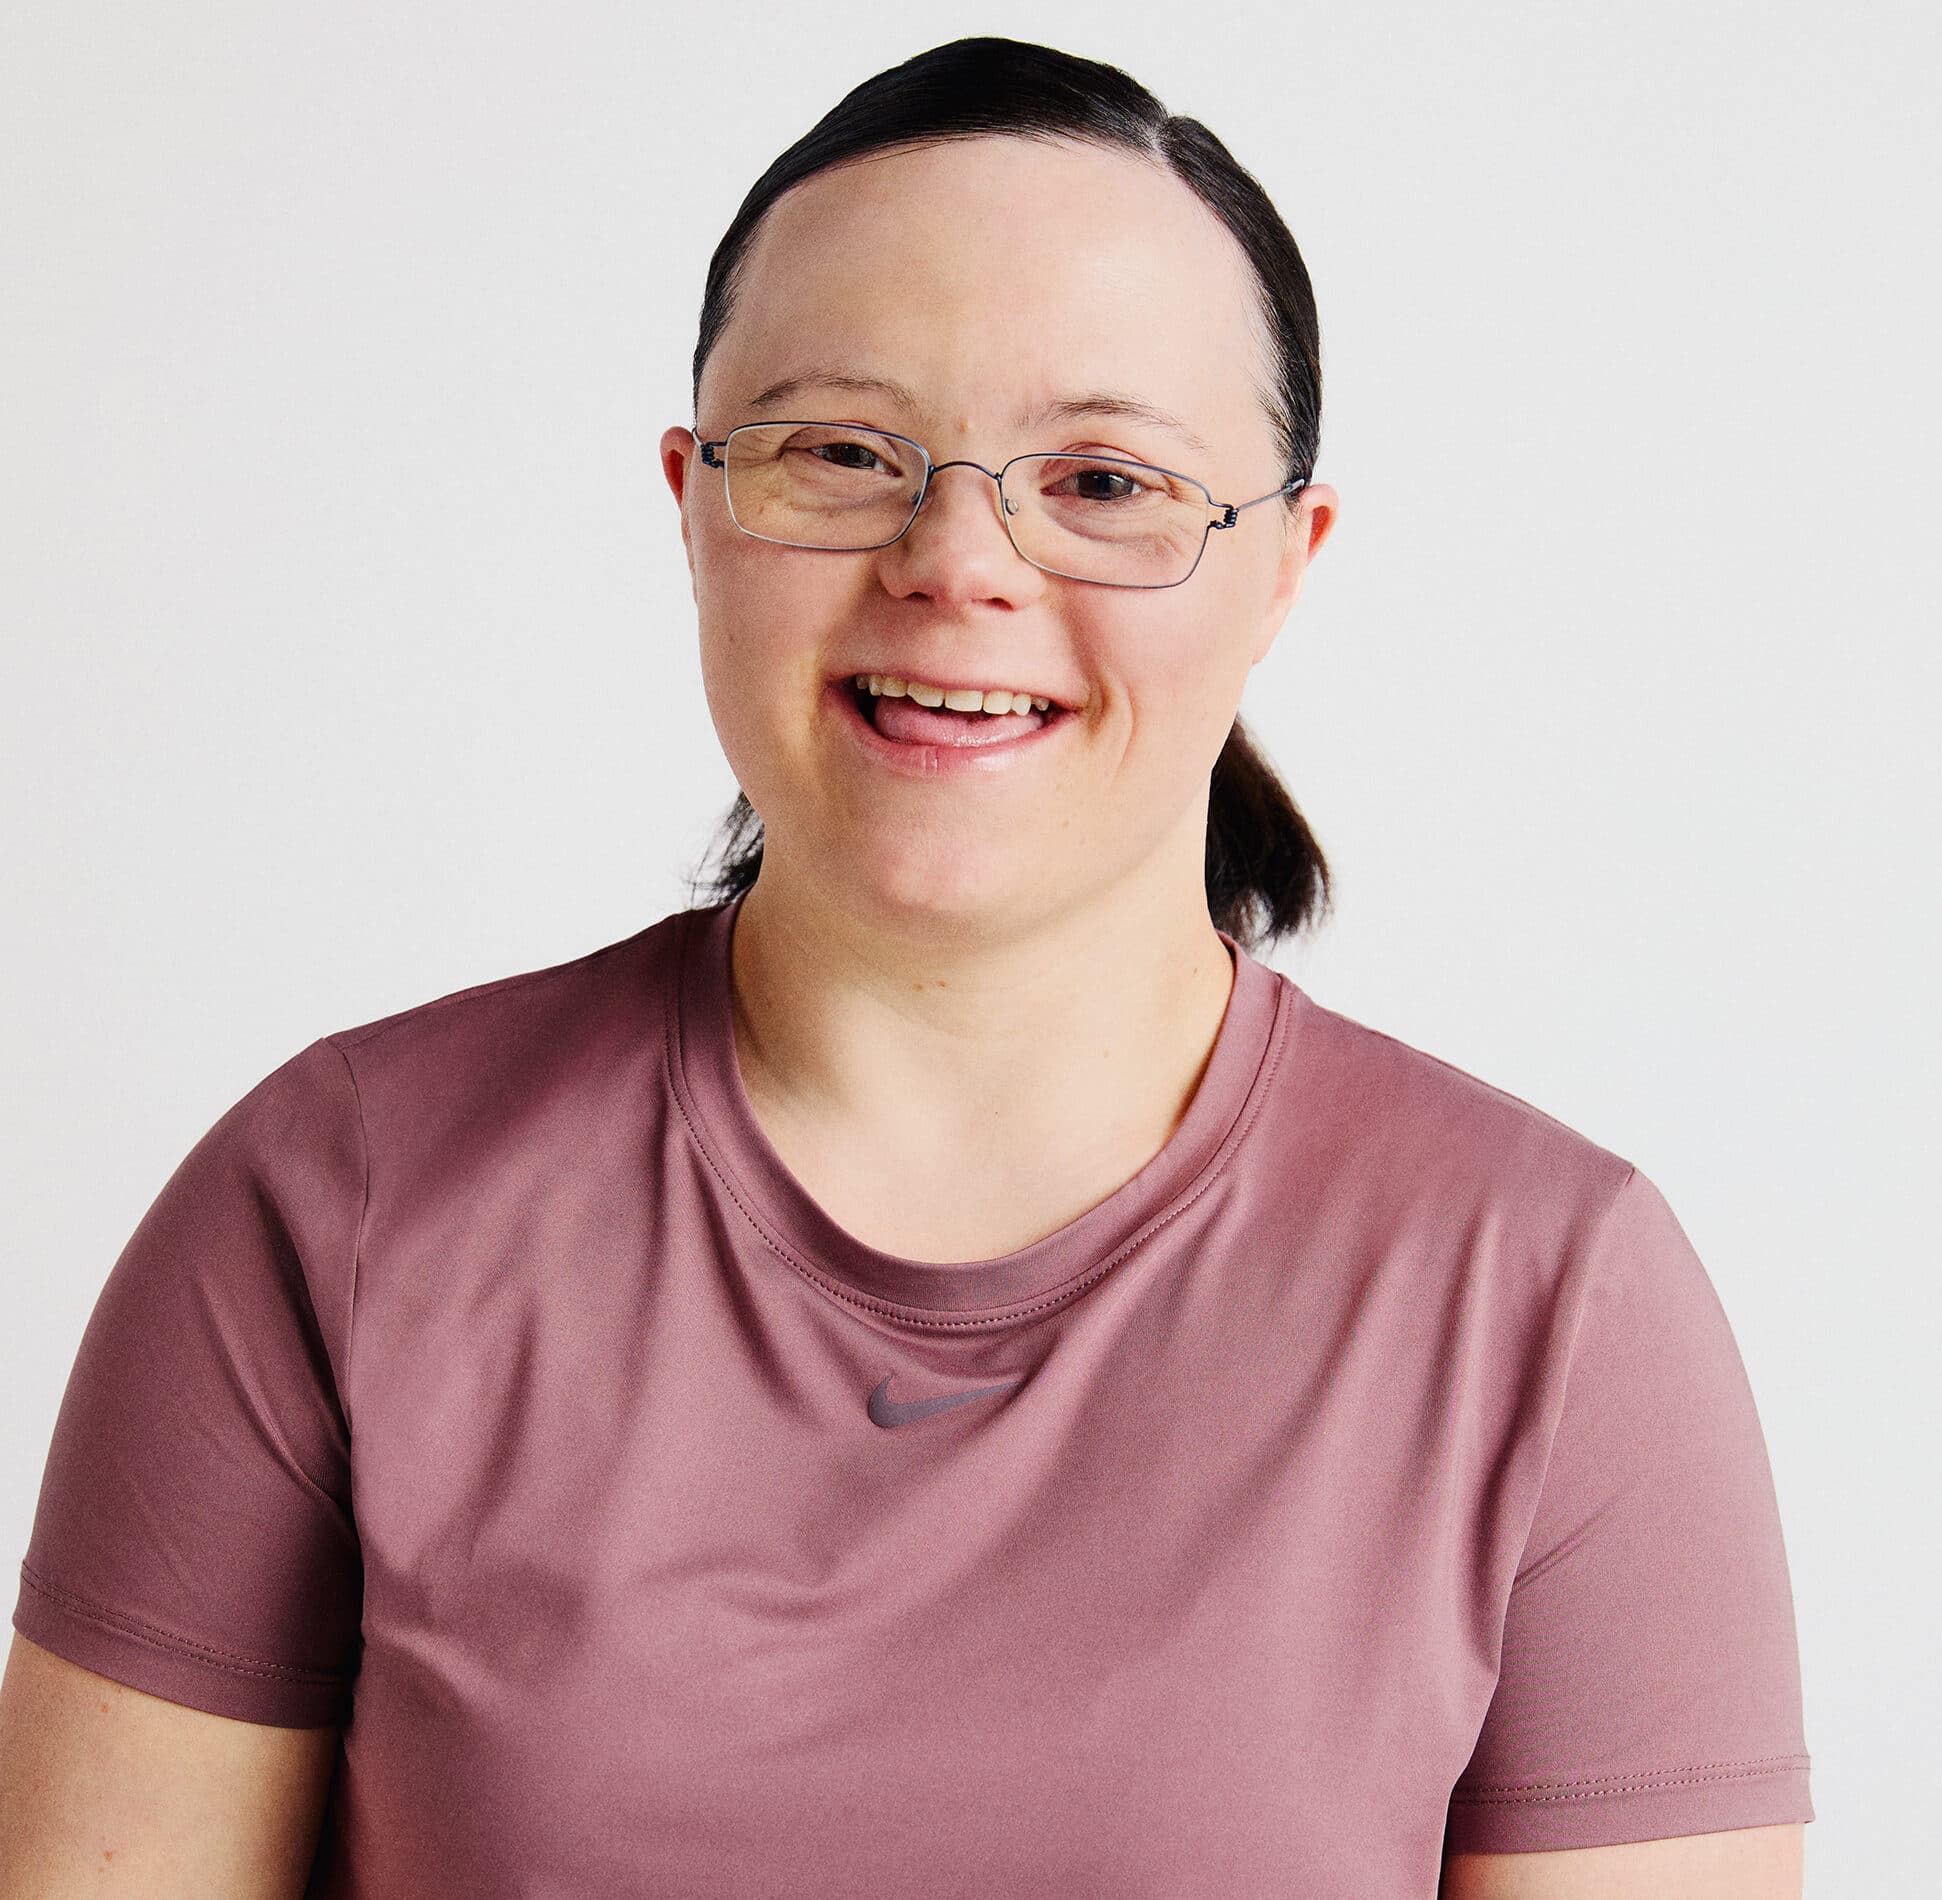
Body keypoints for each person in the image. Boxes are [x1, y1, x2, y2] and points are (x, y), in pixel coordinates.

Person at [0, 35, 1812, 1900]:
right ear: (692, 501)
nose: (958, 559)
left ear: (1284, 568)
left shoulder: (1550, 1302)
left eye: (1106, 479)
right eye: (844, 452)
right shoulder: (334, 1208)